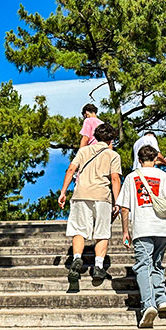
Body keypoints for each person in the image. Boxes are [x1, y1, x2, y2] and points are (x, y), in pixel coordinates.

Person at [118, 145, 166, 328]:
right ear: (156, 159)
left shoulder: (132, 178)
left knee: (143, 266)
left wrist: (125, 232)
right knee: (157, 264)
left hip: (142, 227)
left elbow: (124, 208)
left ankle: (148, 304)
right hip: (162, 228)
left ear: (139, 159)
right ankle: (162, 299)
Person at [58, 122, 122, 292]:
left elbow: (71, 169)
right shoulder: (112, 155)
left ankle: (77, 258)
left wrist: (63, 192)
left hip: (81, 194)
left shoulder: (83, 151)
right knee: (102, 232)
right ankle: (98, 266)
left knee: (79, 230)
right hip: (102, 196)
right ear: (111, 140)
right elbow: (115, 179)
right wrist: (118, 202)